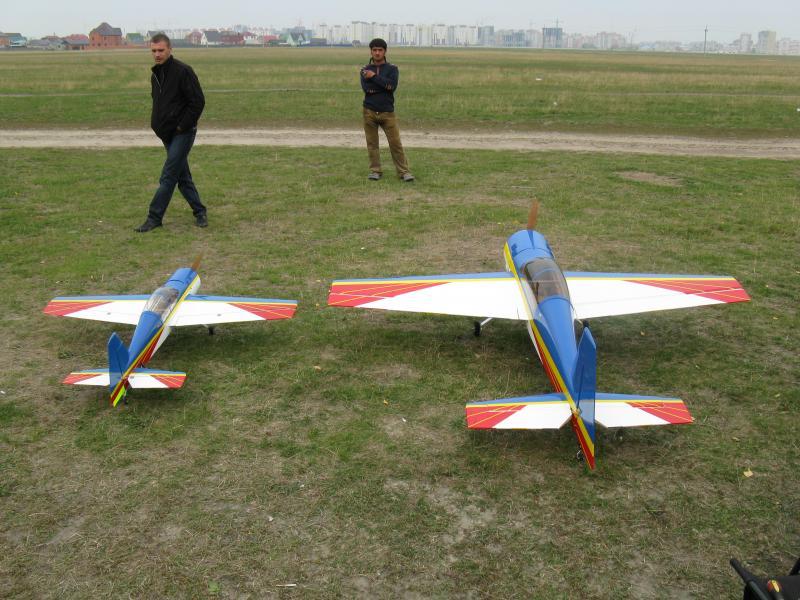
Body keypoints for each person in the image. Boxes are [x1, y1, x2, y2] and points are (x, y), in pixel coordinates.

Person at [135, 33, 208, 232]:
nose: (157, 54)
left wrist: (181, 127)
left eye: (161, 50)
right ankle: (200, 211)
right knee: (181, 176)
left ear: (170, 49)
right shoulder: (156, 74)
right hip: (167, 134)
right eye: (153, 51)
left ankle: (154, 217)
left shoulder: (183, 71)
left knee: (168, 176)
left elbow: (197, 102)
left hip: (183, 133)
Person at [360, 38, 414, 182]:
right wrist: (384, 85)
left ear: (385, 51)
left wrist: (374, 77)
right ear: (371, 51)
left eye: (380, 50)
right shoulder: (364, 69)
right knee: (372, 144)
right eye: (374, 50)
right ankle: (375, 171)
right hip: (369, 111)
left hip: (387, 112)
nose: (377, 53)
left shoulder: (392, 69)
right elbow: (367, 89)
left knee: (395, 144)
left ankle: (404, 172)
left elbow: (392, 86)